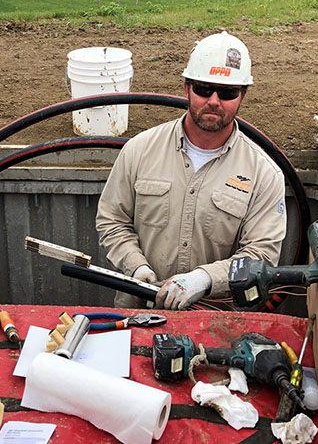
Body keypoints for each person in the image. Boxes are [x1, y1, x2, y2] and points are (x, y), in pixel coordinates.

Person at [96, 31, 286, 310]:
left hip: (213, 320)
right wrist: (136, 267)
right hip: (138, 311)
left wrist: (204, 279)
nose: (213, 100)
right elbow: (111, 221)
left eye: (227, 92)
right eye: (203, 88)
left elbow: (261, 256)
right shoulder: (140, 150)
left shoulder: (264, 174)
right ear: (186, 88)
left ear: (242, 95)